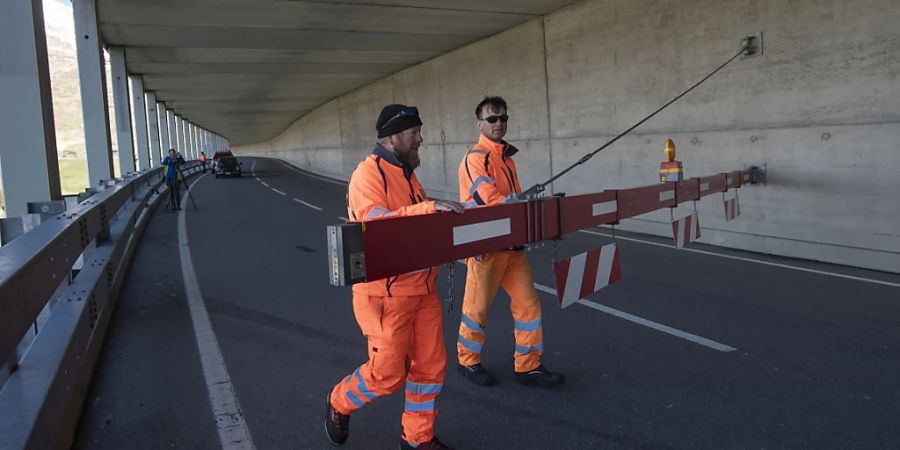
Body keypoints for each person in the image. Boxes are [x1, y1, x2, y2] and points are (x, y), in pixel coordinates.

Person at [325, 104, 464, 450]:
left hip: (422, 290)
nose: (421, 138)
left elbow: (417, 226)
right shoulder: (367, 174)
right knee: (386, 375)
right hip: (385, 295)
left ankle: (417, 439)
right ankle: (338, 403)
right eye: (414, 132)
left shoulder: (406, 173)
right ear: (392, 136)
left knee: (430, 368)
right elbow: (377, 228)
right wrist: (430, 208)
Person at [455, 96, 565, 387]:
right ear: (480, 124)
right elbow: (491, 202)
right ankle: (468, 361)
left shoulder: (506, 159)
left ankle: (528, 366)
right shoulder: (476, 159)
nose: (499, 123)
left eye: (503, 118)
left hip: (513, 248)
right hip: (486, 248)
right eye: (493, 119)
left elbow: (512, 201)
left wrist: (530, 205)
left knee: (529, 307)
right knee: (476, 310)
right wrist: (526, 203)